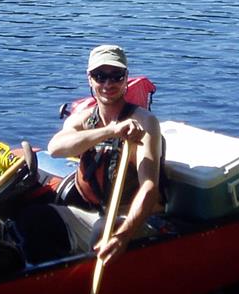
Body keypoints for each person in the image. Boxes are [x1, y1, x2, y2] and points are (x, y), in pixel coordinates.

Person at [48, 44, 163, 263]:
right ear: (89, 78)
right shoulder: (82, 120)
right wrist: (110, 131)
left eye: (116, 76)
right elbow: (55, 149)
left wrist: (122, 236)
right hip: (93, 213)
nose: (108, 84)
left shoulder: (145, 122)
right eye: (100, 76)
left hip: (131, 219)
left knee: (103, 230)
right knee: (37, 217)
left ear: (126, 78)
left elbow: (150, 187)